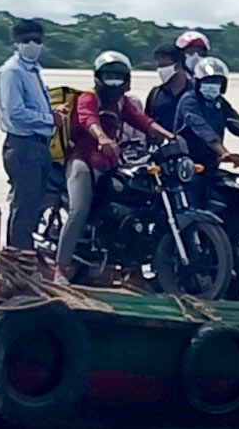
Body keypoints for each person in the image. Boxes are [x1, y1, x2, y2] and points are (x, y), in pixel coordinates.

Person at [60, 51, 173, 273]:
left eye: (118, 76)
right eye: (109, 76)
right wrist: (101, 137)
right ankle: (60, 268)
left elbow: (143, 121)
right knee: (79, 210)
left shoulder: (122, 103)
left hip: (111, 164)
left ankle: (129, 268)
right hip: (83, 162)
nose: (114, 81)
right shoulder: (88, 97)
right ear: (98, 77)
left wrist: (171, 137)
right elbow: (87, 118)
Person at [0, 18, 56, 252]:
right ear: (17, 42)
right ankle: (18, 258)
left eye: (37, 40)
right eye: (26, 40)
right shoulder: (12, 72)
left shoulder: (34, 72)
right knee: (24, 204)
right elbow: (15, 113)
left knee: (34, 204)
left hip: (39, 145)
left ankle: (25, 253)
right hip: (22, 145)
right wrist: (51, 120)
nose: (32, 44)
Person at [173, 55, 239, 168]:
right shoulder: (189, 101)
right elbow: (202, 129)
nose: (212, 85)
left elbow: (237, 123)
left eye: (216, 82)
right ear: (198, 82)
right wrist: (224, 152)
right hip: (187, 166)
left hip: (211, 164)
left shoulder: (220, 103)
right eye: (208, 81)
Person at [144, 30, 207, 132]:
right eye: (189, 52)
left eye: (200, 53)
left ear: (178, 65)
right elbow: (146, 123)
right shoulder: (155, 94)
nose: (195, 57)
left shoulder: (200, 93)